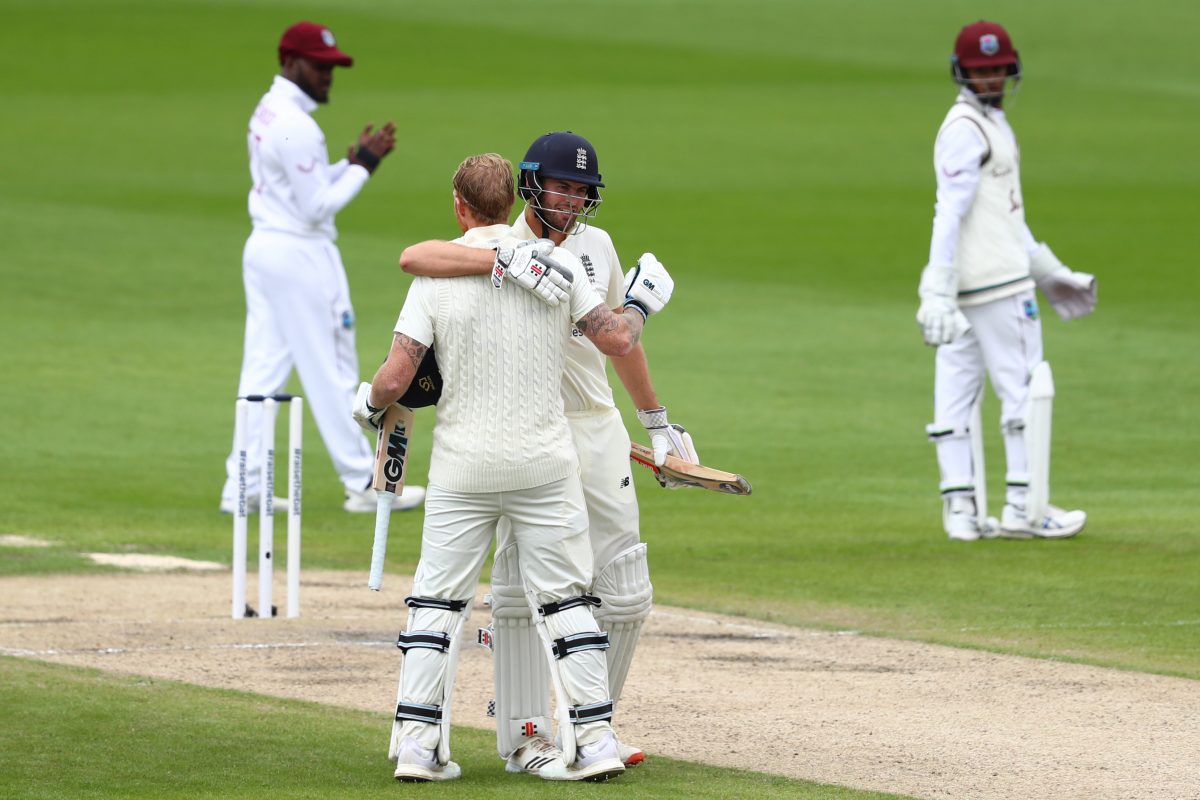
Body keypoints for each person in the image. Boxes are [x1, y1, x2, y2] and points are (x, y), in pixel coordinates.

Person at [353, 153, 675, 782]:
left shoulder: (436, 279)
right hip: (543, 465)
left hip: (461, 470)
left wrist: (366, 406)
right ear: (515, 201)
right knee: (566, 602)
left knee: (437, 606)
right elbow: (615, 338)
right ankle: (596, 744)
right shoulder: (555, 267)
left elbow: (395, 377)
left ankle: (419, 750)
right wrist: (639, 305)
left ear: (459, 206)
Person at [220, 20, 424, 514]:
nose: (329, 75)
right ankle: (362, 483)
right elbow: (316, 208)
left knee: (263, 370)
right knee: (332, 365)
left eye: (333, 67)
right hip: (301, 255)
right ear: (290, 62)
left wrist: (345, 164)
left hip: (267, 248)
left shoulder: (269, 111)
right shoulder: (297, 126)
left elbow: (294, 191)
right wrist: (364, 166)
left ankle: (242, 486)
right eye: (320, 66)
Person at [917, 21, 1096, 541]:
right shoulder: (965, 128)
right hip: (995, 287)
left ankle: (963, 516)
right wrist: (936, 285)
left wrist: (1049, 270)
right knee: (1020, 390)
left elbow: (1005, 215)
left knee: (958, 394)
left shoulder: (986, 123)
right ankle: (1025, 506)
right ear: (963, 71)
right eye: (981, 69)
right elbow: (948, 212)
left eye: (997, 68)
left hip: (982, 283)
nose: (992, 77)